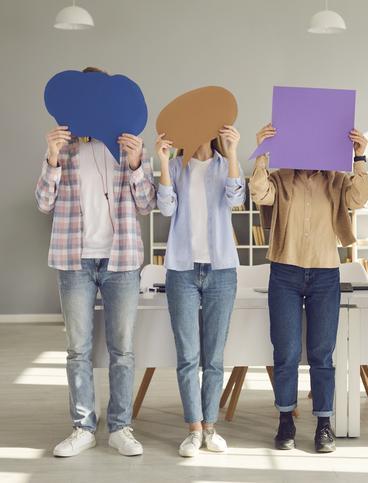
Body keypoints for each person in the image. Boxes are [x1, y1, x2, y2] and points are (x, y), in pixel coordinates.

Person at [35, 67, 156, 457]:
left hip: (121, 260)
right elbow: (43, 203)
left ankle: (121, 427)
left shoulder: (128, 148)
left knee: (122, 349)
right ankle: (83, 426)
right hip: (74, 260)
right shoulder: (65, 151)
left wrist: (138, 165)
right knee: (78, 349)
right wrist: (51, 159)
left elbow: (146, 204)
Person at [249, 123, 368, 453]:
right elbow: (258, 192)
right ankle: (286, 420)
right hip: (285, 273)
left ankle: (324, 424)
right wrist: (261, 153)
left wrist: (359, 155)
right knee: (286, 351)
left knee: (321, 353)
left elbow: (359, 198)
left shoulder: (335, 179)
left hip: (324, 274)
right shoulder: (281, 177)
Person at [156, 125, 244, 457]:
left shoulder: (224, 165)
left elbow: (236, 199)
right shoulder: (177, 167)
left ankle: (211, 428)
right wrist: (163, 163)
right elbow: (165, 208)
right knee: (188, 357)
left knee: (215, 358)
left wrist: (233, 153)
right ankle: (193, 429)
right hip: (182, 270)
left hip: (221, 270)